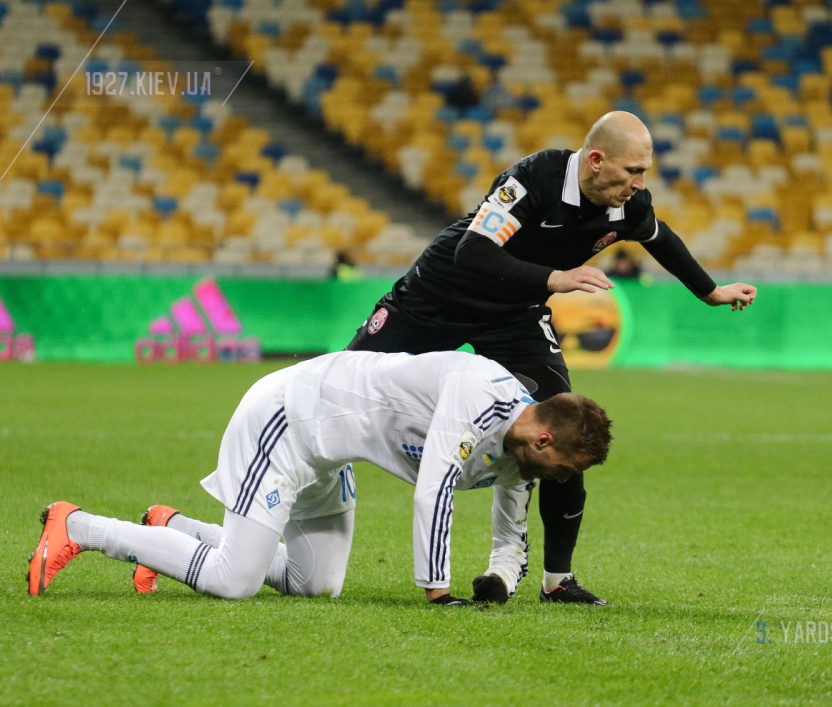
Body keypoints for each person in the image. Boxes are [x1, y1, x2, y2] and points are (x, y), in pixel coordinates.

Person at [345, 111, 756, 604]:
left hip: (513, 318)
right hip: (432, 301)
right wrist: (555, 278)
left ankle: (557, 580)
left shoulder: (628, 206)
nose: (640, 184)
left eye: (645, 172)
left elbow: (661, 239)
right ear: (597, 160)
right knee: (340, 391)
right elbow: (471, 252)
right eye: (633, 171)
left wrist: (711, 292)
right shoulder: (535, 177)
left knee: (568, 429)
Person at [27, 351, 613, 605]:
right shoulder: (479, 393)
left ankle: (172, 528)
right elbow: (434, 489)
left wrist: (500, 578)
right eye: (567, 468)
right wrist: (439, 592)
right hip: (290, 418)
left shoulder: (520, 454)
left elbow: (511, 530)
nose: (563, 479)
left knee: (315, 585)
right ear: (545, 440)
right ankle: (79, 526)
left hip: (330, 455)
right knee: (235, 581)